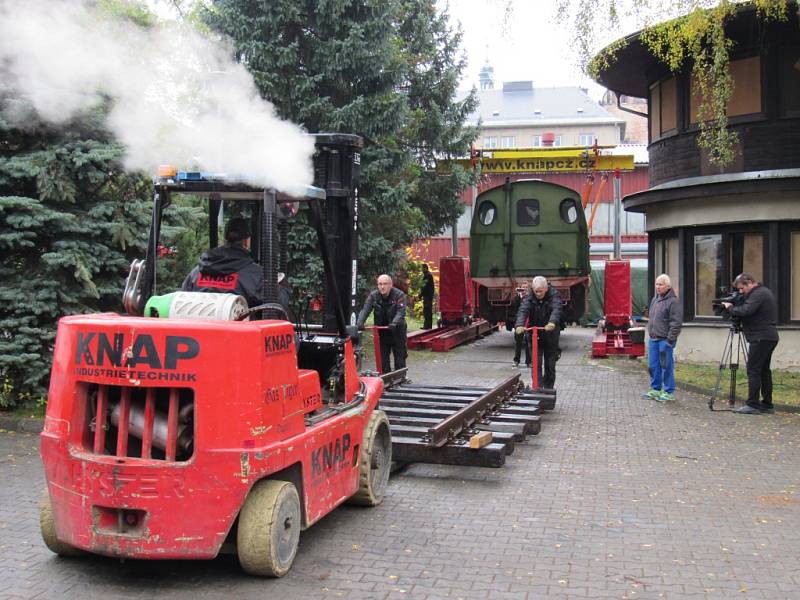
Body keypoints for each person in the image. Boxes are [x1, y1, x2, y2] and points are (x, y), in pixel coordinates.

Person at [722, 273, 779, 415]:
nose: (741, 292)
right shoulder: (763, 292)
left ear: (749, 283)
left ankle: (752, 404)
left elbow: (746, 311)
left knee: (753, 369)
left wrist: (730, 308)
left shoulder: (758, 294)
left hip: (761, 337)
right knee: (764, 370)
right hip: (768, 336)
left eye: (742, 288)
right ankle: (767, 404)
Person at [182, 217, 263, 307]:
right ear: (246, 241)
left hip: (201, 320)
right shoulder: (257, 275)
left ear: (225, 239)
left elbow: (184, 300)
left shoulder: (196, 272)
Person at [514, 276, 561, 388]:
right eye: (536, 291)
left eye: (540, 291)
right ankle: (538, 388)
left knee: (550, 364)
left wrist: (552, 322)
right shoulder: (529, 296)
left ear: (546, 288)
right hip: (535, 335)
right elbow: (523, 310)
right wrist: (519, 325)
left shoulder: (554, 295)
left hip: (550, 334)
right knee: (536, 364)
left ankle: (548, 388)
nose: (538, 294)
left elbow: (556, 309)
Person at [643, 274, 683, 402]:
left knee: (666, 366)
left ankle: (668, 391)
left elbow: (676, 323)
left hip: (665, 339)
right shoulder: (655, 300)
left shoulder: (673, 302)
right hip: (653, 338)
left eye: (661, 284)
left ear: (668, 286)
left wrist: (670, 340)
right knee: (653, 365)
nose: (658, 287)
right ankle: (655, 389)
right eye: (656, 284)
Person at [357, 274, 408, 373]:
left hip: (397, 331)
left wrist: (394, 323)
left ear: (391, 285)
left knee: (400, 360)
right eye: (380, 284)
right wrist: (360, 322)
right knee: (382, 361)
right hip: (382, 332)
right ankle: (385, 381)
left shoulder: (399, 295)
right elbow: (365, 310)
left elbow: (401, 312)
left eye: (385, 284)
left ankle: (401, 379)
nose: (382, 287)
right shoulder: (373, 296)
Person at [510, 287, 531, 368]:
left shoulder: (531, 297)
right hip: (519, 322)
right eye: (522, 287)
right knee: (518, 342)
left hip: (529, 322)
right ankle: (516, 360)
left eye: (526, 287)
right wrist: (518, 296)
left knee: (528, 343)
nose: (524, 289)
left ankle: (529, 361)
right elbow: (513, 305)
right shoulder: (518, 297)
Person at [420, 263, 435, 330]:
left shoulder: (428, 275)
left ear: (425, 268)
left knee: (427, 310)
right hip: (427, 295)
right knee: (427, 310)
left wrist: (420, 295)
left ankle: (427, 326)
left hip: (428, 296)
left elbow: (425, 287)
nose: (421, 269)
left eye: (422, 268)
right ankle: (428, 325)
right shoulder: (427, 275)